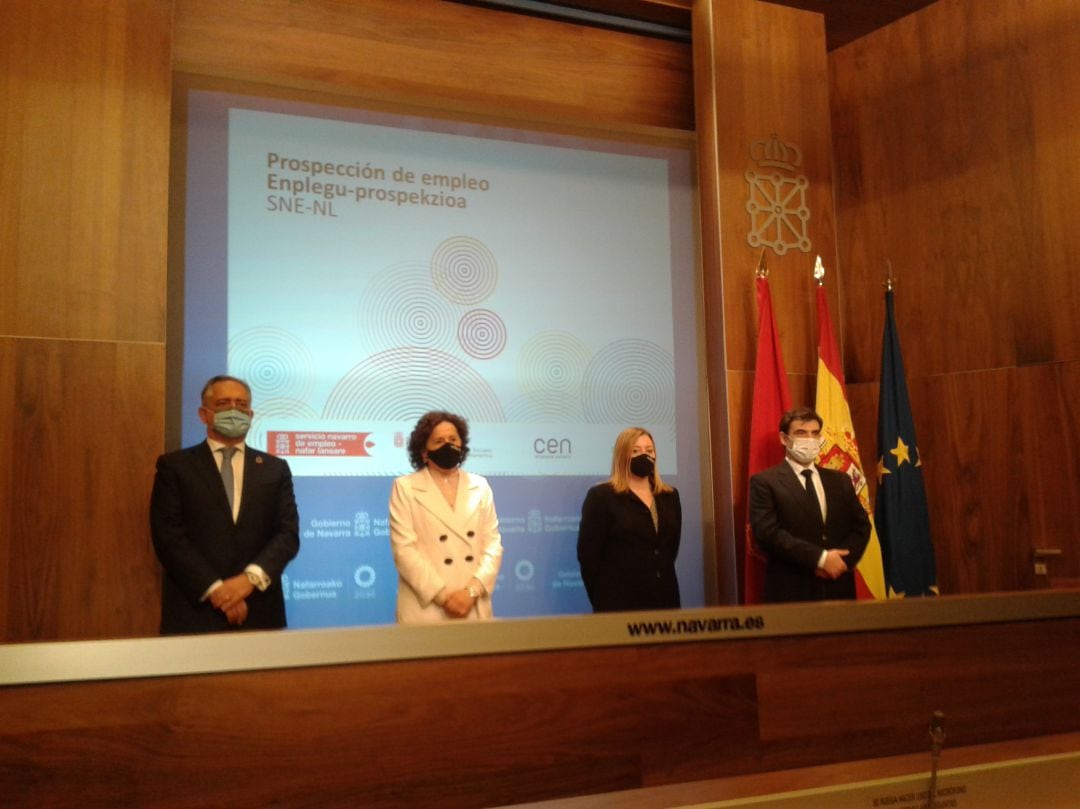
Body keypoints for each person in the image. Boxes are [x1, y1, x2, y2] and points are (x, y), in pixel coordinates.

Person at [150, 375, 299, 634]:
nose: (234, 411)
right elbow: (169, 538)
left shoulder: (275, 469)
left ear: (251, 415)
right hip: (194, 614)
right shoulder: (175, 467)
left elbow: (287, 535)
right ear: (203, 414)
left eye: (242, 405)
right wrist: (216, 591)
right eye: (224, 403)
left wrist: (248, 581)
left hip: (260, 612)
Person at [388, 411, 502, 622]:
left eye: (453, 439)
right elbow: (404, 551)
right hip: (427, 610)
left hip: (473, 607)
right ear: (424, 452)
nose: (448, 445)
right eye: (439, 441)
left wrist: (470, 593)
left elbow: (493, 547)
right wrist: (443, 597)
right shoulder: (405, 487)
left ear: (462, 445)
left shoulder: (480, 486)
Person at [749, 406, 870, 603]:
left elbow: (861, 527)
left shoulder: (840, 480)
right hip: (792, 593)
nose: (809, 439)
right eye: (801, 433)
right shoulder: (765, 482)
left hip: (838, 589)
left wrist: (839, 563)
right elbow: (768, 534)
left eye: (815, 434)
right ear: (784, 438)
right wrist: (820, 559)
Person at [577, 427, 682, 612]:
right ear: (622, 455)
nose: (644, 456)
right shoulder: (602, 496)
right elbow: (588, 557)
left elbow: (669, 550)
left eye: (649, 451)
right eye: (635, 451)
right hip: (619, 604)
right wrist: (603, 598)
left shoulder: (670, 496)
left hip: (665, 602)